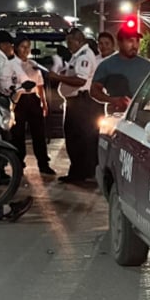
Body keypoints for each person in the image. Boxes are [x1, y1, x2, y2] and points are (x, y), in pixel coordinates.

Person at [49, 30, 104, 184]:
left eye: (70, 43)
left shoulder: (84, 56)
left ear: (78, 40)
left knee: (79, 139)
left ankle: (81, 174)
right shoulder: (78, 55)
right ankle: (78, 172)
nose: (68, 46)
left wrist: (57, 77)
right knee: (76, 139)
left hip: (81, 103)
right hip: (76, 102)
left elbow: (80, 80)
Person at [11, 39, 55, 176]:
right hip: (19, 99)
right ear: (16, 48)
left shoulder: (33, 64)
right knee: (18, 134)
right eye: (23, 47)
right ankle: (19, 163)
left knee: (39, 133)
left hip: (33, 99)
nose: (26, 50)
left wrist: (43, 102)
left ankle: (43, 164)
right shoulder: (11, 64)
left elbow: (40, 85)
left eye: (28, 47)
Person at [93, 24, 150, 114]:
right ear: (119, 42)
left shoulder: (147, 66)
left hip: (142, 115)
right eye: (130, 41)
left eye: (137, 41)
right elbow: (94, 90)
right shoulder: (107, 65)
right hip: (116, 116)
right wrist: (112, 100)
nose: (134, 45)